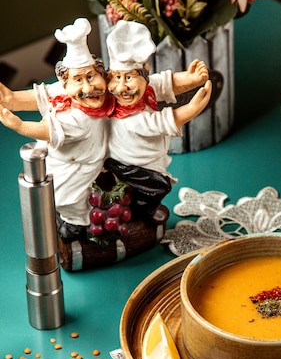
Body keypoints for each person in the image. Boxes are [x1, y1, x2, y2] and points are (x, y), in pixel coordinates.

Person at [0, 18, 113, 242]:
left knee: (67, 199)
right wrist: (9, 98)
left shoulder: (83, 118)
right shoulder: (61, 91)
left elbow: (48, 131)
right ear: (64, 83)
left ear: (103, 75)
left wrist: (19, 126)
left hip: (80, 167)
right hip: (57, 160)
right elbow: (29, 98)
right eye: (78, 80)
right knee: (51, 198)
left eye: (91, 76)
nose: (88, 88)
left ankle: (78, 226)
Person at [104, 20, 212, 224]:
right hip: (130, 166)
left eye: (128, 78)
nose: (121, 87)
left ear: (145, 72)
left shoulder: (146, 87)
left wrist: (191, 79)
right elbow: (163, 121)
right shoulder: (128, 117)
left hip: (143, 161)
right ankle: (141, 214)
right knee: (158, 187)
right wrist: (193, 108)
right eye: (116, 78)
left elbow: (166, 83)